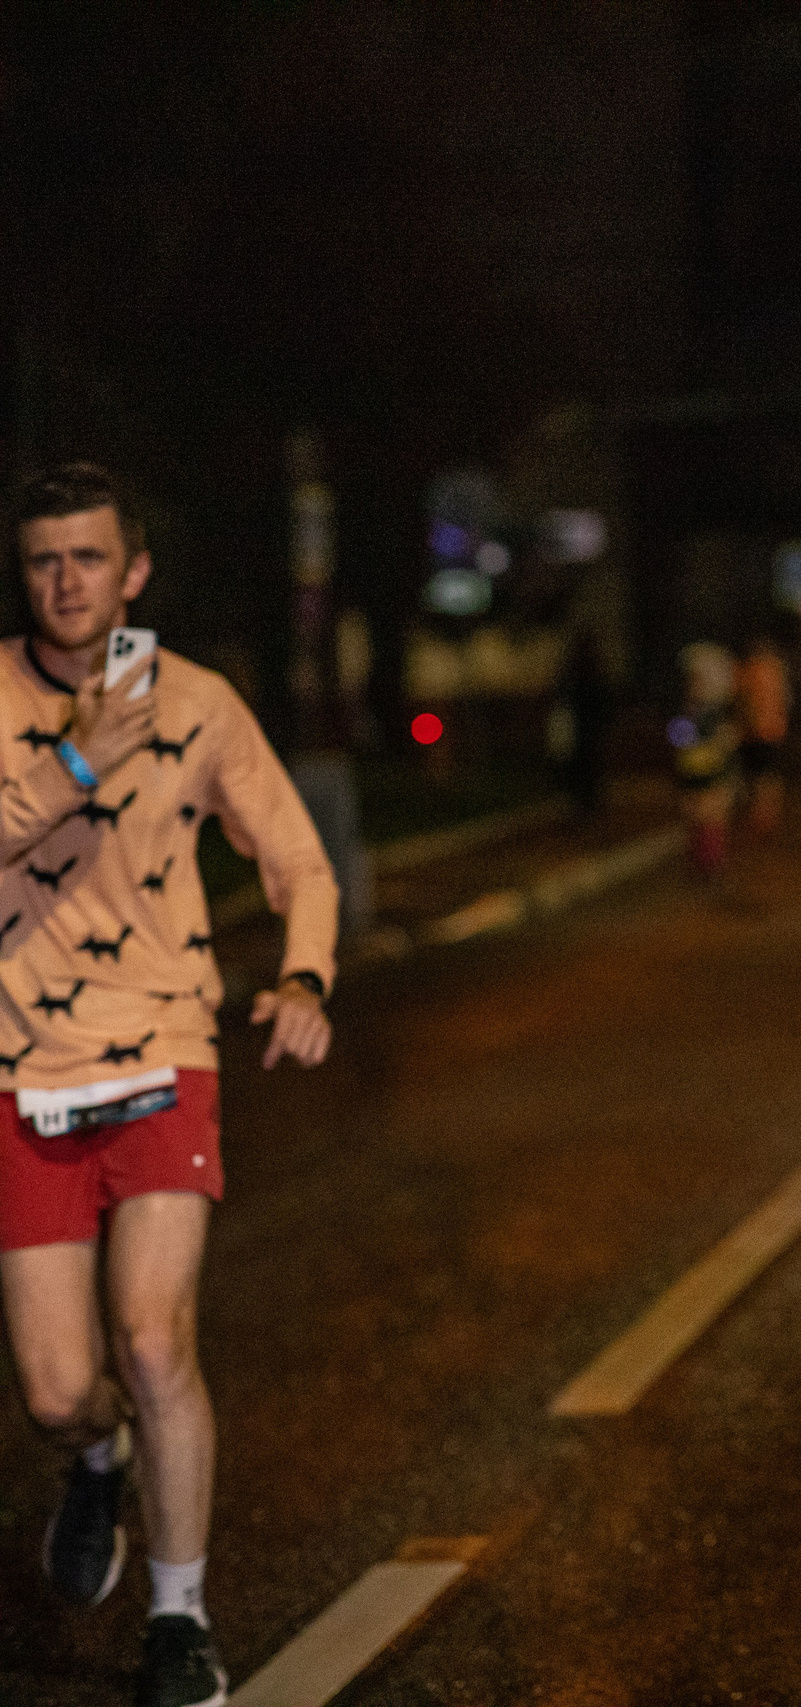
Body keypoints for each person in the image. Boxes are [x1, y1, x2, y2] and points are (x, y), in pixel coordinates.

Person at [0, 463, 338, 1707]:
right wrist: (76, 768)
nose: (66, 581)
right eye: (43, 560)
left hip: (161, 1056)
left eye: (90, 558)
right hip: (21, 1072)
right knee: (53, 1392)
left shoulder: (195, 704)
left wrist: (305, 981)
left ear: (133, 571)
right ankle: (96, 1465)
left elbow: (300, 859)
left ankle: (180, 1617)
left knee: (153, 1336)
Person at [671, 641, 740, 878]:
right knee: (694, 819)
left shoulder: (716, 711)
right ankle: (700, 862)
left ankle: (710, 863)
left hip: (713, 774)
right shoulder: (688, 709)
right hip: (691, 772)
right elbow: (679, 738)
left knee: (711, 820)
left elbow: (726, 744)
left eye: (697, 680)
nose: (693, 685)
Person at [735, 629, 792, 835]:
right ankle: (766, 813)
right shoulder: (776, 668)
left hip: (759, 731)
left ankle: (763, 815)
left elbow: (744, 701)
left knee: (762, 774)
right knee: (766, 774)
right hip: (770, 730)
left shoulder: (752, 669)